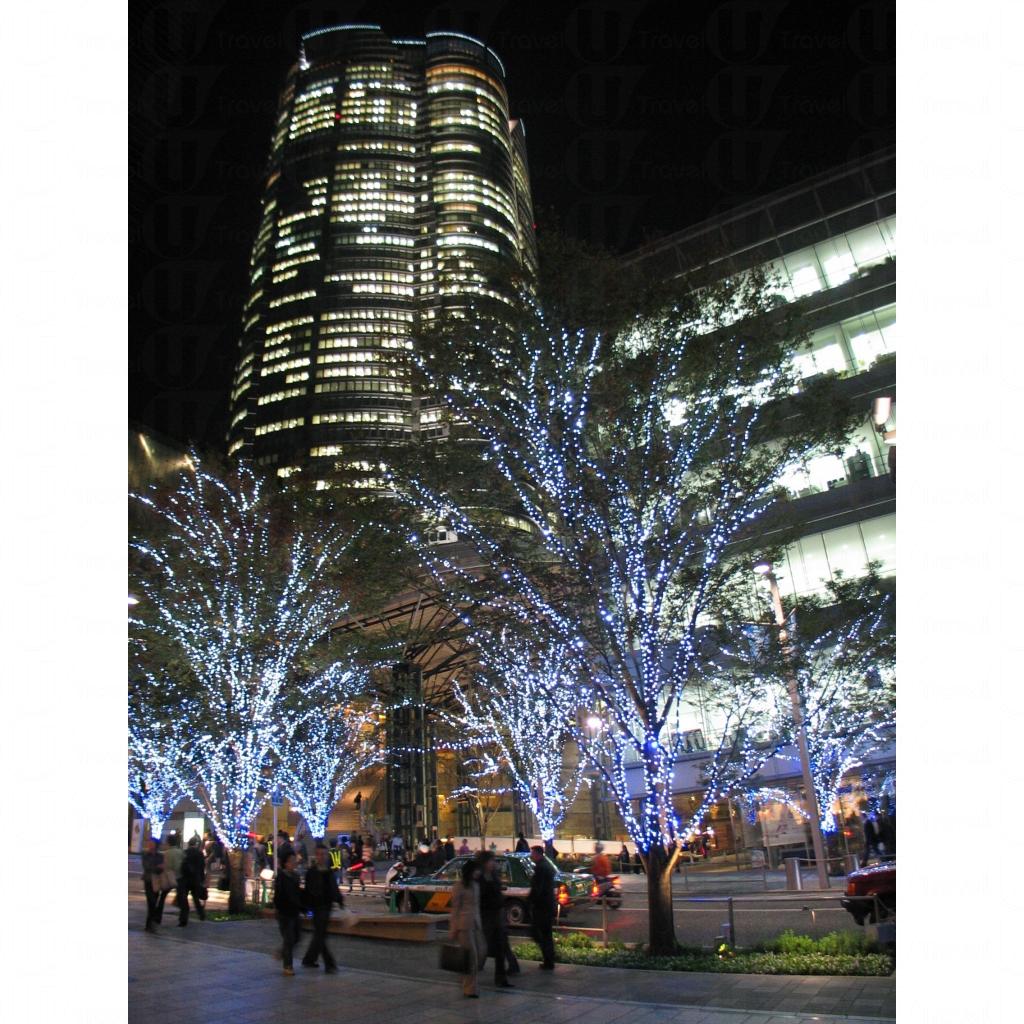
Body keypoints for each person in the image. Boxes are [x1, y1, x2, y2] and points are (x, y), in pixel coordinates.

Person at [301, 844, 344, 973]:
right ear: (316, 855)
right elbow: (308, 891)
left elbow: (333, 888)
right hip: (317, 907)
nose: (322, 857)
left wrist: (339, 900)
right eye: (319, 854)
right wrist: (307, 907)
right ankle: (329, 964)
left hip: (326, 906)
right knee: (320, 935)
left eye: (324, 854)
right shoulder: (311, 872)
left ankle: (309, 959)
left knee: (320, 934)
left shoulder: (329, 871)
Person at [449, 857, 485, 997]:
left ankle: (465, 980)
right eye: (477, 870)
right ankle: (470, 988)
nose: (479, 873)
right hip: (463, 925)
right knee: (471, 957)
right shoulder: (459, 886)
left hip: (476, 923)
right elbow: (455, 908)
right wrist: (453, 928)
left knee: (479, 953)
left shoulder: (475, 885)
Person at [477, 852, 513, 988]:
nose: (493, 863)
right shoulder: (479, 878)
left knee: (500, 947)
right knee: (482, 946)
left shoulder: (493, 875)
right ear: (484, 862)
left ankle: (501, 978)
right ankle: (470, 972)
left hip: (497, 914)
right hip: (486, 915)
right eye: (491, 861)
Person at [527, 845, 556, 970]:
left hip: (542, 905)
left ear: (538, 854)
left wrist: (531, 900)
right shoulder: (546, 865)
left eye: (532, 853)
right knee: (546, 934)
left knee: (539, 933)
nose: (531, 856)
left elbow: (538, 887)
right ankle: (549, 959)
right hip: (547, 904)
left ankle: (548, 958)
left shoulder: (540, 867)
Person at [273, 852, 303, 976]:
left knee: (297, 937)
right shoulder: (281, 877)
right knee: (289, 938)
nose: (294, 863)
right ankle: (288, 966)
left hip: (295, 910)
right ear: (285, 863)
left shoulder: (296, 876)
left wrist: (302, 906)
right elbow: (278, 895)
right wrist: (278, 909)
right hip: (285, 912)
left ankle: (282, 952)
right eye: (291, 861)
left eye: (294, 860)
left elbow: (298, 893)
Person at [178, 836, 207, 926]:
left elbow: (181, 866)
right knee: (196, 898)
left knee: (184, 899)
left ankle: (183, 919)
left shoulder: (185, 852)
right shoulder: (200, 853)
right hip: (196, 879)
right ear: (196, 844)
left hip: (185, 879)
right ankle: (201, 914)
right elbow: (202, 867)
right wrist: (202, 879)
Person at [142, 837, 169, 933]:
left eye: (152, 844)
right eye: (149, 843)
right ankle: (150, 925)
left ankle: (150, 925)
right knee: (151, 902)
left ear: (156, 845)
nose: (150, 845)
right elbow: (147, 867)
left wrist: (157, 867)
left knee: (154, 902)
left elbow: (163, 867)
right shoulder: (145, 855)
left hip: (157, 881)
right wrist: (157, 867)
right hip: (148, 881)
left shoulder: (160, 856)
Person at [163, 834, 184, 909]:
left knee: (163, 895)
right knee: (180, 893)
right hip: (180, 876)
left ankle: (158, 911)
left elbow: (167, 866)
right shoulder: (180, 852)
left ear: (168, 842)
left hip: (170, 876)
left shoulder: (167, 852)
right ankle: (182, 909)